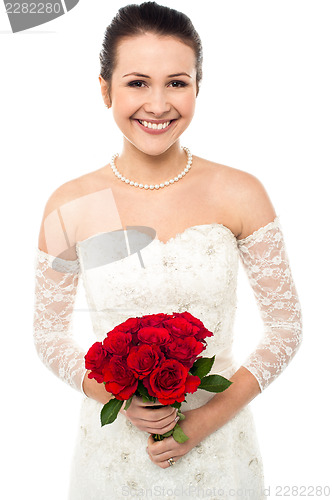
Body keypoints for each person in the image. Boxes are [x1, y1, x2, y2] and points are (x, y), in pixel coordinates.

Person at [33, 2, 303, 499]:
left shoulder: (241, 192)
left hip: (219, 452)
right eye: (137, 82)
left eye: (177, 82)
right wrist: (112, 394)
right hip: (113, 455)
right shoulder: (70, 203)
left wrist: (205, 421)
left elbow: (286, 327)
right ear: (104, 88)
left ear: (198, 86)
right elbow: (48, 335)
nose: (158, 105)